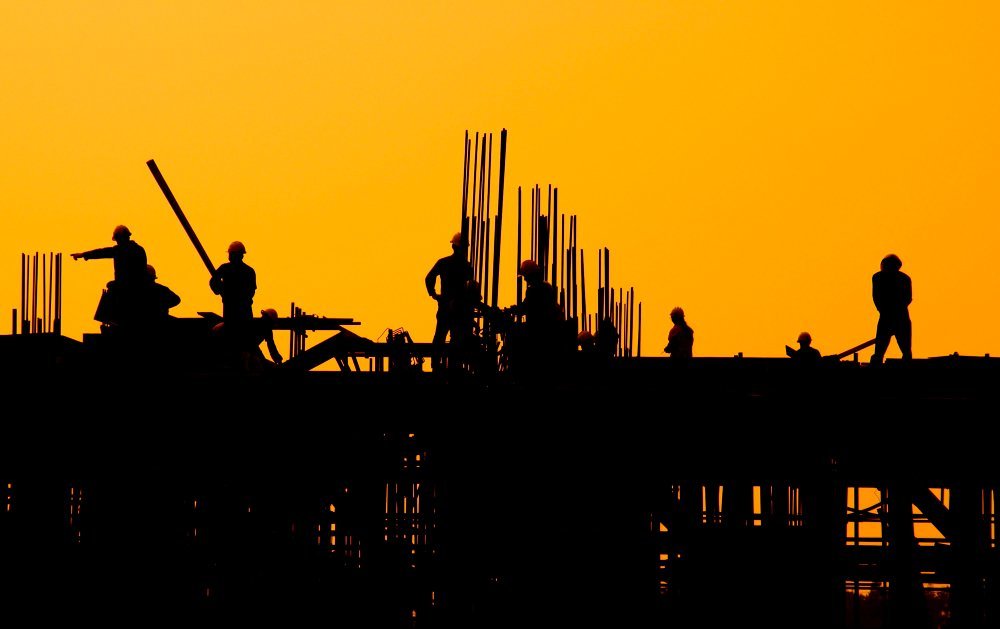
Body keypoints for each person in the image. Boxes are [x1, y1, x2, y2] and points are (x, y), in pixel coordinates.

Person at [71, 224, 148, 326]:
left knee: (111, 288)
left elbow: (102, 252)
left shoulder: (120, 250)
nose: (117, 242)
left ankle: (109, 320)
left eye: (117, 239)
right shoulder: (139, 250)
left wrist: (84, 254)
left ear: (120, 238)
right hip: (139, 288)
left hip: (126, 290)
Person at [425, 232, 474, 371]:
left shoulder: (444, 262)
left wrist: (434, 294)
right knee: (456, 338)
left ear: (453, 246)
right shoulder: (466, 266)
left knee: (440, 336)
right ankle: (453, 366)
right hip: (460, 308)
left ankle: (436, 365)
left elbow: (429, 278)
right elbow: (470, 285)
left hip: (446, 306)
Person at [870, 253, 912, 365]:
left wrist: (894, 312)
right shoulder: (877, 278)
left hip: (900, 317)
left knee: (906, 351)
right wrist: (885, 312)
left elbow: (907, 298)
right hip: (887, 317)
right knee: (879, 350)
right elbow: (876, 297)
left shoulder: (904, 279)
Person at [210, 241, 257, 323]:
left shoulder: (225, 268)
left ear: (239, 255)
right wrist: (221, 291)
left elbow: (213, 282)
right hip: (242, 311)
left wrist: (223, 291)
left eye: (231, 254)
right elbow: (213, 282)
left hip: (235, 310)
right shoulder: (249, 270)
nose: (229, 256)